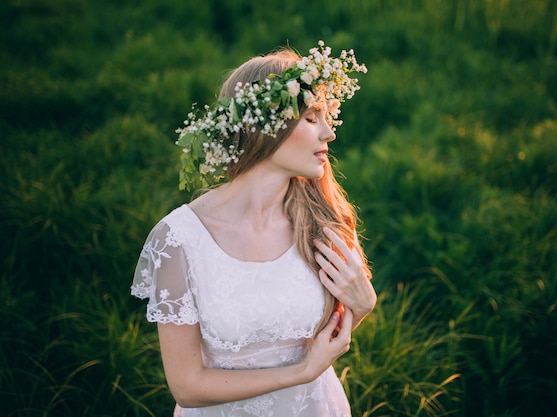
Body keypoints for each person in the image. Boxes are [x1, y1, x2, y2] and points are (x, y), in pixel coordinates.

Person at [131, 40, 376, 417]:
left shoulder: (323, 221)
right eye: (311, 118)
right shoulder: (179, 240)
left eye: (326, 118)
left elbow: (325, 339)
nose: (329, 133)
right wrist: (302, 372)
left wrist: (360, 309)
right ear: (265, 126)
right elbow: (186, 386)